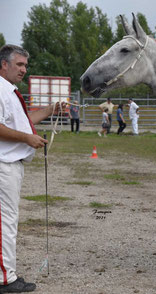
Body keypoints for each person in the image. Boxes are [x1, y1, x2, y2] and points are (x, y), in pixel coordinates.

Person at [0, 44, 65, 293]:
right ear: (4, 64)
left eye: (25, 65)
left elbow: (24, 123)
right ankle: (6, 279)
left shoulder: (10, 91)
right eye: (19, 64)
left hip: (12, 165)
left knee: (6, 221)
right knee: (6, 222)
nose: (24, 70)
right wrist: (27, 139)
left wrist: (50, 110)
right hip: (4, 164)